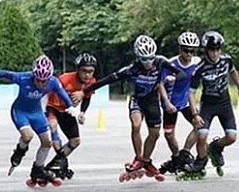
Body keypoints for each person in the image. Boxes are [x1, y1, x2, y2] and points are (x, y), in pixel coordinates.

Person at [75, 35, 185, 179]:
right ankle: (138, 158)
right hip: (137, 100)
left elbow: (181, 74)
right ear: (138, 57)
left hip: (152, 101)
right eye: (144, 59)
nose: (148, 62)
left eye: (151, 58)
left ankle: (146, 160)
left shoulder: (161, 61)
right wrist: (84, 91)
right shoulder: (131, 69)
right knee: (136, 125)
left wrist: (173, 78)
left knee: (155, 134)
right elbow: (106, 80)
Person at [0, 54, 80, 183]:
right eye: (38, 79)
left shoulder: (53, 82)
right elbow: (6, 74)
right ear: (33, 75)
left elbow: (63, 95)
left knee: (47, 142)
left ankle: (38, 168)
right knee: (28, 136)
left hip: (36, 112)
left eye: (44, 81)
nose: (40, 83)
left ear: (49, 78)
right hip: (20, 111)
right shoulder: (23, 78)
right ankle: (19, 151)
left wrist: (70, 107)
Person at [185, 31, 239, 175]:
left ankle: (215, 147)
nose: (215, 53)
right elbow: (191, 92)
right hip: (208, 103)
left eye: (217, 49)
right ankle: (200, 161)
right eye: (211, 50)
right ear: (206, 51)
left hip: (224, 102)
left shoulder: (227, 60)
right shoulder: (200, 68)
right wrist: (195, 114)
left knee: (231, 137)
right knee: (201, 135)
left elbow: (233, 71)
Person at [44, 52, 98, 179]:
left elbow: (87, 97)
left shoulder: (91, 82)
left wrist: (82, 112)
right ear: (77, 70)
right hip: (52, 108)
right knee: (53, 127)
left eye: (91, 71)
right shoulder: (64, 79)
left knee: (75, 141)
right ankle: (49, 166)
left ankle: (53, 165)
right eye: (84, 71)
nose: (87, 75)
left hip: (67, 111)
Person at [158, 31, 201, 174]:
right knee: (169, 134)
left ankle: (184, 154)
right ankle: (176, 158)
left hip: (187, 101)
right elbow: (160, 84)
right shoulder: (171, 64)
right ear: (180, 49)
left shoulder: (197, 63)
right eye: (185, 50)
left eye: (192, 50)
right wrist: (166, 102)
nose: (189, 53)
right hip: (171, 103)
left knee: (200, 126)